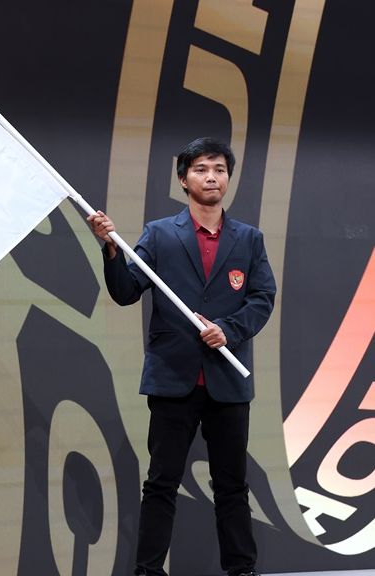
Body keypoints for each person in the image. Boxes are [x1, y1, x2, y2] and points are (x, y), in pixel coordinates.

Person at [87, 137, 275, 576]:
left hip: (227, 382)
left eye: (219, 169)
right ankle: (148, 571)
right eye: (201, 169)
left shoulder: (248, 238)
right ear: (183, 179)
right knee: (161, 484)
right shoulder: (159, 233)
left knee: (232, 486)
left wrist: (227, 331)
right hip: (174, 379)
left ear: (228, 177)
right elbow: (125, 291)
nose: (211, 177)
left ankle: (241, 569)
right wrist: (111, 248)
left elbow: (263, 297)